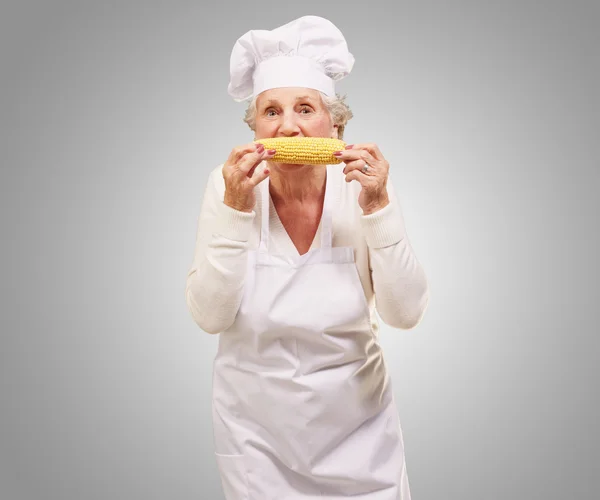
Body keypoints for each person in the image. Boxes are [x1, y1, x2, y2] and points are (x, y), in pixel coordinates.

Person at [185, 15, 430, 500]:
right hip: (257, 438)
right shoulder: (227, 186)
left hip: (359, 432)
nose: (290, 127)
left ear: (336, 124)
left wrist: (378, 208)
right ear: (255, 126)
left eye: (305, 108)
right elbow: (209, 316)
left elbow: (406, 313)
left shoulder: (364, 185)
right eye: (272, 111)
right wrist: (236, 210)